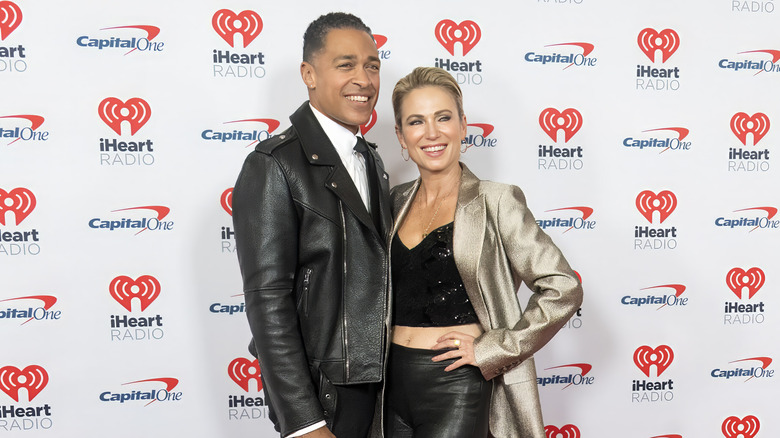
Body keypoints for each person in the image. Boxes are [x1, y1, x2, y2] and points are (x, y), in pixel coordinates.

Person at [385, 67, 583, 438]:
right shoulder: (392, 203)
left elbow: (563, 287)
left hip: (456, 384)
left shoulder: (497, 200)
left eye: (443, 118)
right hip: (388, 385)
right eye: (416, 122)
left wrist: (495, 349)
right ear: (400, 135)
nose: (431, 133)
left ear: (463, 125)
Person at [232, 12, 391, 438]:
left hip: (382, 393)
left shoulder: (370, 159)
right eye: (346, 65)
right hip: (326, 400)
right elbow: (268, 303)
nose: (364, 78)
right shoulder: (273, 165)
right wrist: (304, 423)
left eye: (372, 66)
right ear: (309, 74)